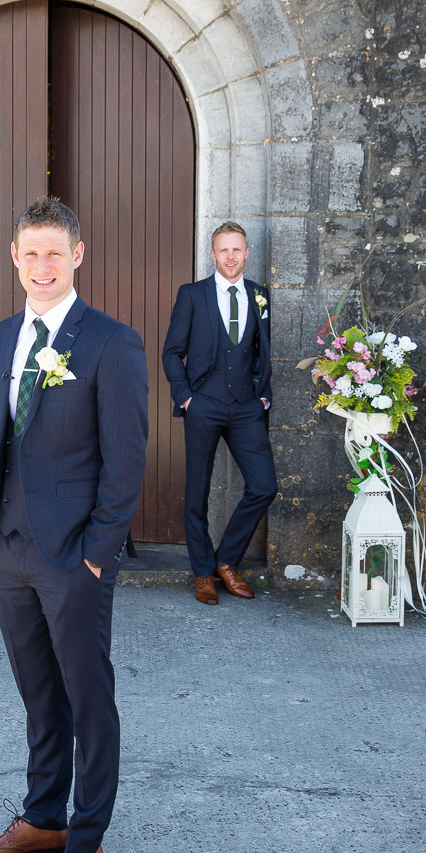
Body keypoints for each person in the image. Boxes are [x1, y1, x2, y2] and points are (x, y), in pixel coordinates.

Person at [0, 197, 148, 853]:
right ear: (14, 257)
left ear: (78, 255)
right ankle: (44, 818)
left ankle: (85, 841)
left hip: (75, 556)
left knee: (86, 697)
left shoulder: (110, 341)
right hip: (7, 549)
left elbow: (126, 460)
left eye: (54, 252)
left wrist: (99, 553)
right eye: (29, 252)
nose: (41, 266)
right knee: (38, 692)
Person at [162, 220, 277, 606]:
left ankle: (226, 561)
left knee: (264, 486)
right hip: (204, 405)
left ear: (247, 253)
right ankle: (202, 573)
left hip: (246, 407)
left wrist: (263, 396)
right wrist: (186, 397)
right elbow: (171, 352)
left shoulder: (260, 295)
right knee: (197, 492)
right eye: (223, 249)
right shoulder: (193, 295)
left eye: (237, 249)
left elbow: (262, 351)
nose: (230, 256)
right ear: (213, 254)